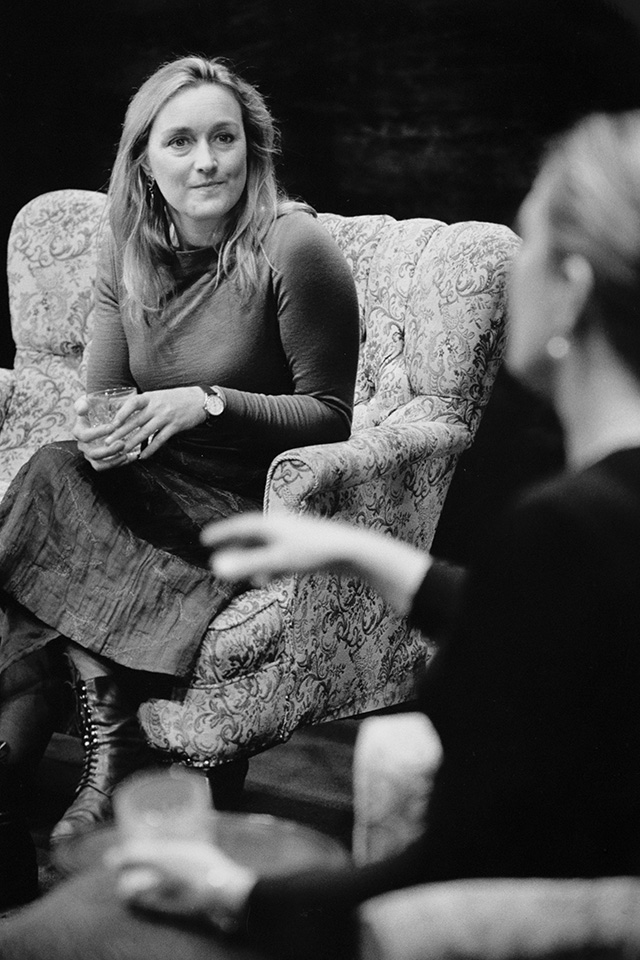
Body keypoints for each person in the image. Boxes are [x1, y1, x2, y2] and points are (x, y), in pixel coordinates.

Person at [99, 108, 640, 956]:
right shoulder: (597, 526)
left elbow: (460, 869)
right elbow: (560, 624)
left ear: (570, 288)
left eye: (528, 244)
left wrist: (235, 893)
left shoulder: (559, 529)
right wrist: (368, 554)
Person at [0, 54, 360, 903]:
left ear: (252, 148)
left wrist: (210, 403)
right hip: (145, 489)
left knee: (48, 488)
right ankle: (35, 783)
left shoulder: (294, 247)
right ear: (145, 162)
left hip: (243, 502)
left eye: (224, 139)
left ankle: (101, 745)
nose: (207, 162)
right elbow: (103, 399)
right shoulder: (126, 251)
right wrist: (109, 428)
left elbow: (331, 415)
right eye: (182, 142)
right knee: (60, 467)